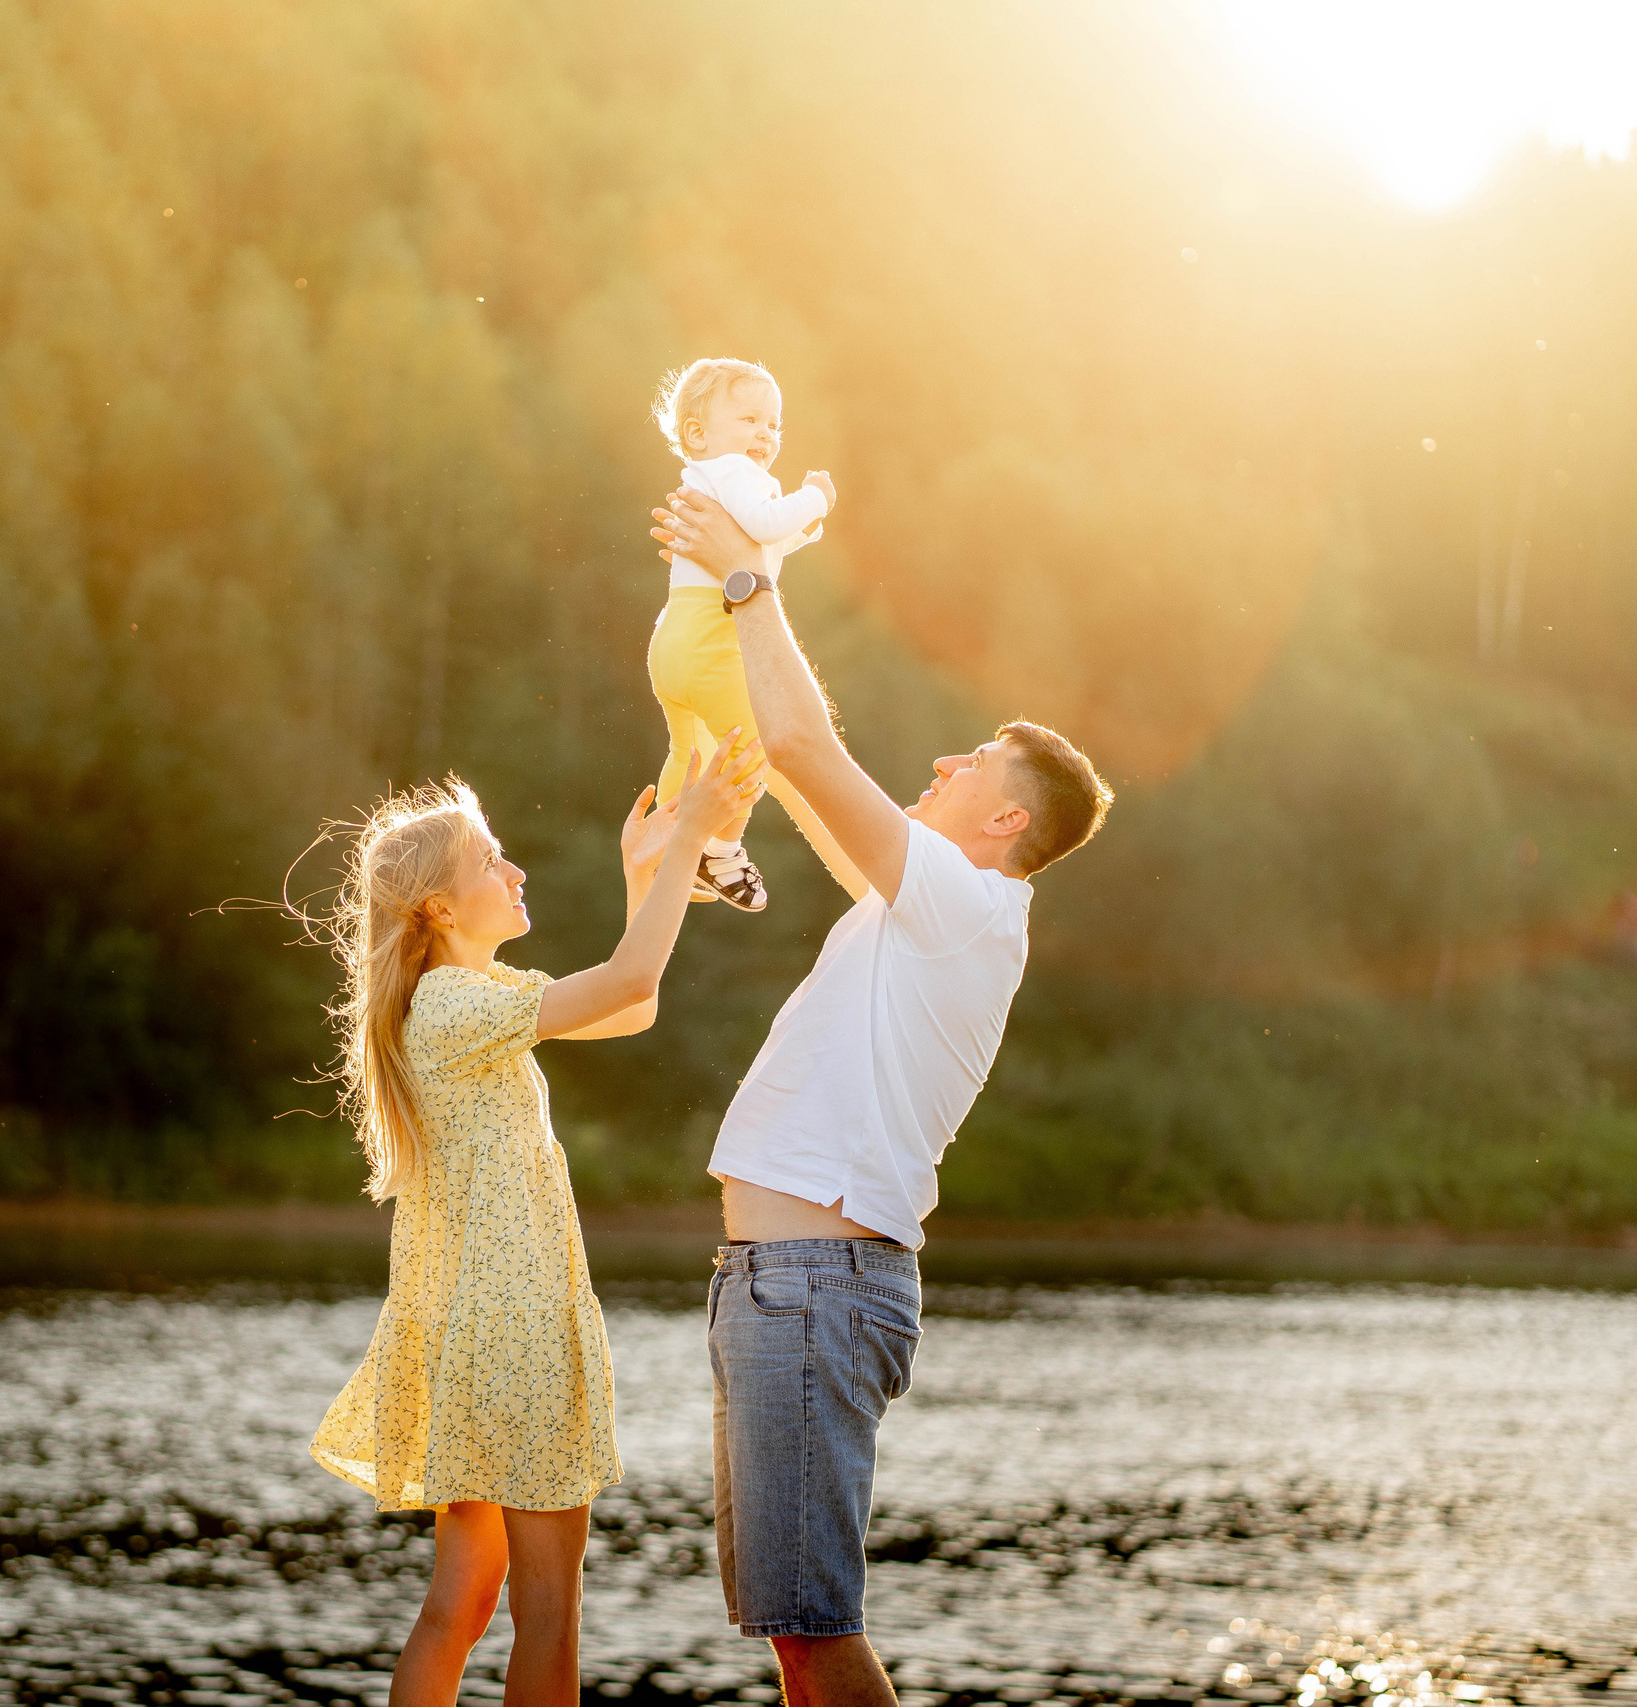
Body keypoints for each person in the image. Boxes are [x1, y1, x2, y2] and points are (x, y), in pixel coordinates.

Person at [650, 489, 1113, 1707]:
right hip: (781, 1282)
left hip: (816, 1285)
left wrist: (753, 580)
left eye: (968, 763)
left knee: (813, 1625)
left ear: (1004, 821)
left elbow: (813, 755)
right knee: (792, 1628)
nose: (940, 764)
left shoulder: (968, 906)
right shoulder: (920, 907)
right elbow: (801, 768)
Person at [306, 736, 762, 1707]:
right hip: (513, 1334)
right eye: (489, 862)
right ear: (437, 906)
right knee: (549, 1610)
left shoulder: (461, 1000)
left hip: (473, 1333)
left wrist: (648, 872)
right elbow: (633, 984)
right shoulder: (455, 1008)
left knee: (462, 1602)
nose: (514, 872)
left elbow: (624, 1008)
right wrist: (685, 841)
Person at [648, 358, 838, 913]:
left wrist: (796, 533)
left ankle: (667, 837)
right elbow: (761, 527)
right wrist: (815, 499)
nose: (764, 434)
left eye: (774, 425)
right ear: (697, 433)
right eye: (750, 419)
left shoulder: (705, 478)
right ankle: (722, 852)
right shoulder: (738, 473)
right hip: (714, 638)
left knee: (690, 750)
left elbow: (755, 547)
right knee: (755, 749)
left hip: (675, 635)